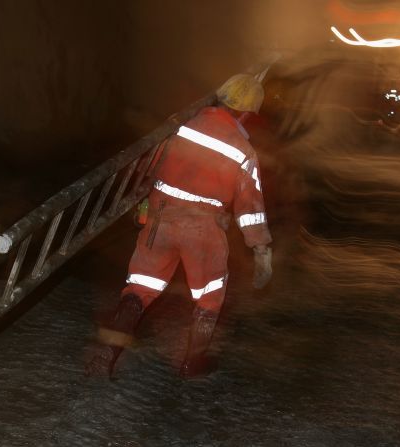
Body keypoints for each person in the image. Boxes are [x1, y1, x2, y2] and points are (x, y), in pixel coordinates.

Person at [87, 73, 273, 378]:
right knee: (210, 295)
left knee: (139, 288)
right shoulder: (243, 151)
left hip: (160, 219)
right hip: (203, 230)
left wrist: (144, 205)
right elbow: (250, 206)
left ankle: (107, 355)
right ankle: (192, 362)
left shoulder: (180, 125)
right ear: (246, 112)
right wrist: (261, 247)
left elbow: (150, 165)